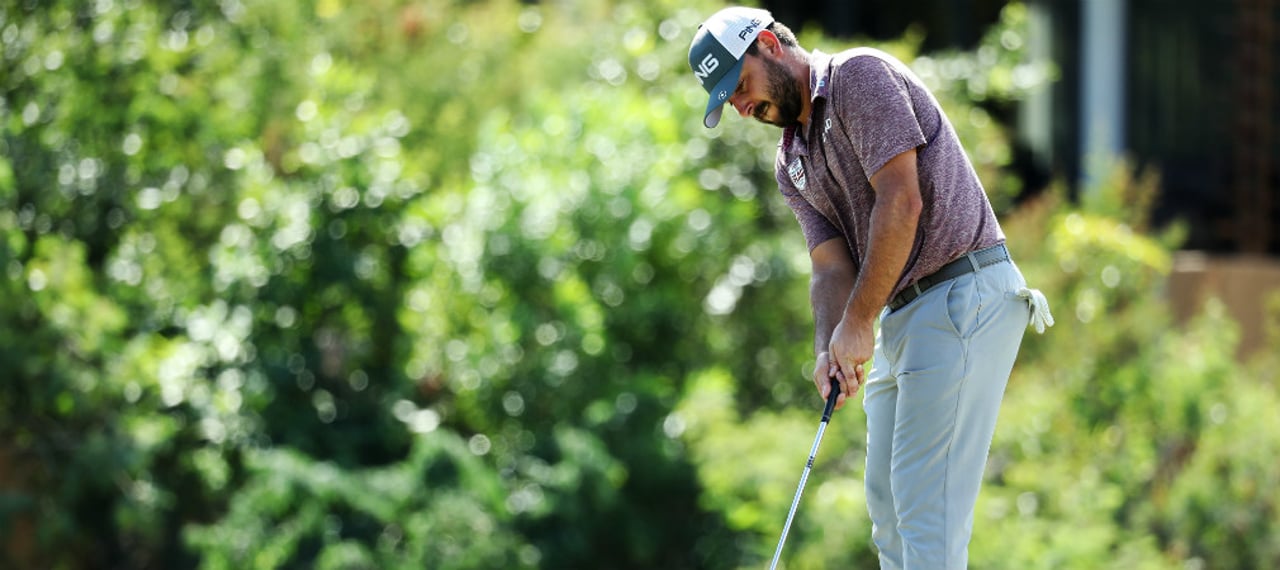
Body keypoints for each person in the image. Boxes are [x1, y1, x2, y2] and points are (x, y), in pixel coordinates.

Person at [688, 7, 1054, 569]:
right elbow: (830, 267)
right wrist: (828, 346)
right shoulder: (791, 161)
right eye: (729, 102)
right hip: (903, 313)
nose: (741, 107)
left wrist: (858, 323)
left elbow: (901, 202)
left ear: (767, 45)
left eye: (739, 86)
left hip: (962, 291)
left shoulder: (858, 76)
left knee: (922, 510)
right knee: (887, 509)